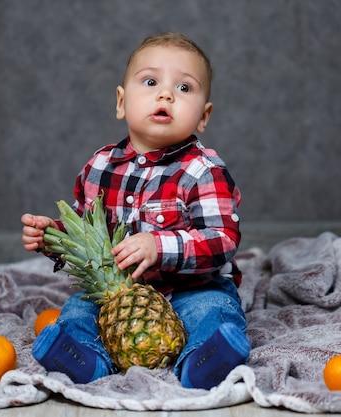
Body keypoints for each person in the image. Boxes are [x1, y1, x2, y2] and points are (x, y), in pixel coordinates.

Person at [21, 32, 249, 390]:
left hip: (194, 288)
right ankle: (86, 360)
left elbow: (222, 240)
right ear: (121, 102)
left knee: (213, 314)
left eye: (185, 88)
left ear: (203, 117)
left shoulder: (203, 170)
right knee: (78, 311)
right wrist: (51, 235)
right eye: (150, 81)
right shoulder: (99, 167)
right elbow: (86, 235)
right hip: (118, 298)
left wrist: (159, 246)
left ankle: (202, 363)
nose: (166, 94)